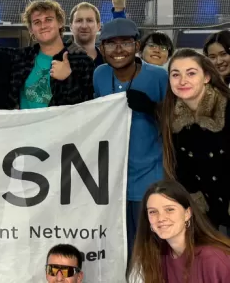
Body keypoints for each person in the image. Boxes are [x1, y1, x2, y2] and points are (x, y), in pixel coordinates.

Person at [93, 18, 168, 258]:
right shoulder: (100, 74)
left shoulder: (158, 77)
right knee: (119, 248)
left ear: (137, 46)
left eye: (125, 42)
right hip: (112, 180)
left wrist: (153, 108)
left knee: (150, 247)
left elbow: (176, 123)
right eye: (110, 44)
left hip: (150, 176)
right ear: (101, 49)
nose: (118, 50)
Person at [160, 48, 230, 232]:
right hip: (205, 214)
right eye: (176, 74)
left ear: (206, 77)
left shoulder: (227, 108)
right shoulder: (172, 118)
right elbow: (181, 169)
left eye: (191, 73)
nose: (182, 81)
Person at [129, 180, 230, 282]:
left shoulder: (214, 258)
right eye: (153, 212)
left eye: (169, 209)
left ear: (187, 213)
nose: (161, 218)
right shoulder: (157, 255)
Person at [15, 0, 94, 109]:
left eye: (48, 19)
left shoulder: (81, 62)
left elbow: (89, 109)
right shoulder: (21, 59)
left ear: (60, 22)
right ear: (31, 29)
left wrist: (67, 78)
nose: (43, 26)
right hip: (26, 126)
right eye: (37, 22)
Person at [69, 0, 127, 66]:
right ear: (71, 26)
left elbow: (121, 39)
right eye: (79, 20)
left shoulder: (108, 61)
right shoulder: (60, 59)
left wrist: (119, 9)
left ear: (99, 26)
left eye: (89, 20)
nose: (84, 26)